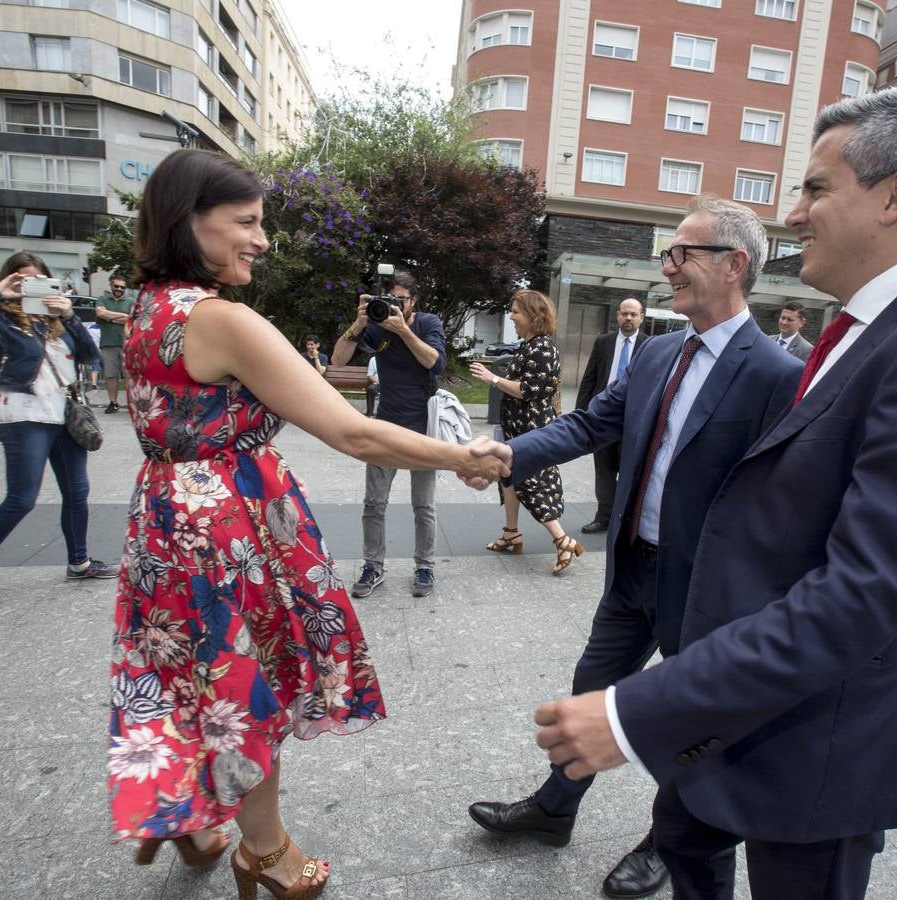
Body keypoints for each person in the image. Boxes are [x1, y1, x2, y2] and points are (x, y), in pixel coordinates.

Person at [521, 87, 897, 900]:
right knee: (691, 853)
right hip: (743, 692)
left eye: (816, 189)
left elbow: (867, 591)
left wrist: (634, 713)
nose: (794, 213)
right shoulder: (862, 330)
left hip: (822, 739)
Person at [107, 148, 502, 897]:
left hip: (163, 519)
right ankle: (267, 852)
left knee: (183, 672)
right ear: (189, 222)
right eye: (246, 223)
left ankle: (188, 820)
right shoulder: (222, 319)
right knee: (248, 684)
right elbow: (351, 432)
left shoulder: (146, 309)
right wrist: (462, 455)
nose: (260, 239)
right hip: (228, 525)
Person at [463, 196, 802, 900]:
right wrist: (506, 455)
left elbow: (781, 500)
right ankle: (555, 810)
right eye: (669, 253)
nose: (667, 266)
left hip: (707, 592)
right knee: (591, 696)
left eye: (683, 253)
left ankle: (664, 844)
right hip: (631, 575)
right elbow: (589, 425)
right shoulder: (654, 351)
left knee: (691, 729)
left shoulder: (775, 373)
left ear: (734, 265)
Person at [0, 251, 116, 609]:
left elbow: (91, 357)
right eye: (21, 280)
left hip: (65, 411)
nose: (28, 287)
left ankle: (78, 562)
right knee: (22, 499)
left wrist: (68, 315)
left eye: (37, 280)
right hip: (22, 413)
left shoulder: (56, 322)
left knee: (78, 493)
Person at [331, 270, 447, 599]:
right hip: (385, 424)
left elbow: (435, 363)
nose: (395, 306)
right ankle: (373, 566)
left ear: (414, 301)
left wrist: (404, 331)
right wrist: (359, 323)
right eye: (389, 299)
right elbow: (337, 359)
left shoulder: (427, 323)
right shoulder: (374, 325)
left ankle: (425, 566)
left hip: (423, 426)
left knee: (423, 505)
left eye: (402, 300)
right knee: (374, 503)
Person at [468, 290, 583, 575]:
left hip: (532, 431)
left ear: (533, 315)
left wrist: (492, 378)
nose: (511, 317)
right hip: (518, 429)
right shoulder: (530, 346)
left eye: (515, 311)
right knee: (508, 479)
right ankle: (511, 533)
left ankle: (563, 540)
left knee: (530, 483)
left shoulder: (542, 348)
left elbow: (529, 391)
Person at [574, 297, 647, 535]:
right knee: (603, 470)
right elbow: (590, 378)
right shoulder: (603, 342)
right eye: (624, 313)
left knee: (629, 470)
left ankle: (625, 518)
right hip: (603, 417)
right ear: (617, 315)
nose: (628, 318)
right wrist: (581, 413)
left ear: (641, 318)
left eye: (633, 314)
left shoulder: (650, 345)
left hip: (633, 420)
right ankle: (603, 517)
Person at [95, 274, 133, 413]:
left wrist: (109, 317)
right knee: (110, 375)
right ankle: (113, 402)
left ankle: (131, 404)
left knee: (129, 376)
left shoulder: (131, 301)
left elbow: (132, 319)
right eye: (116, 286)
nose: (119, 289)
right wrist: (122, 316)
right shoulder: (102, 299)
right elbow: (100, 313)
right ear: (111, 285)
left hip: (127, 344)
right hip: (108, 342)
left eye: (122, 287)